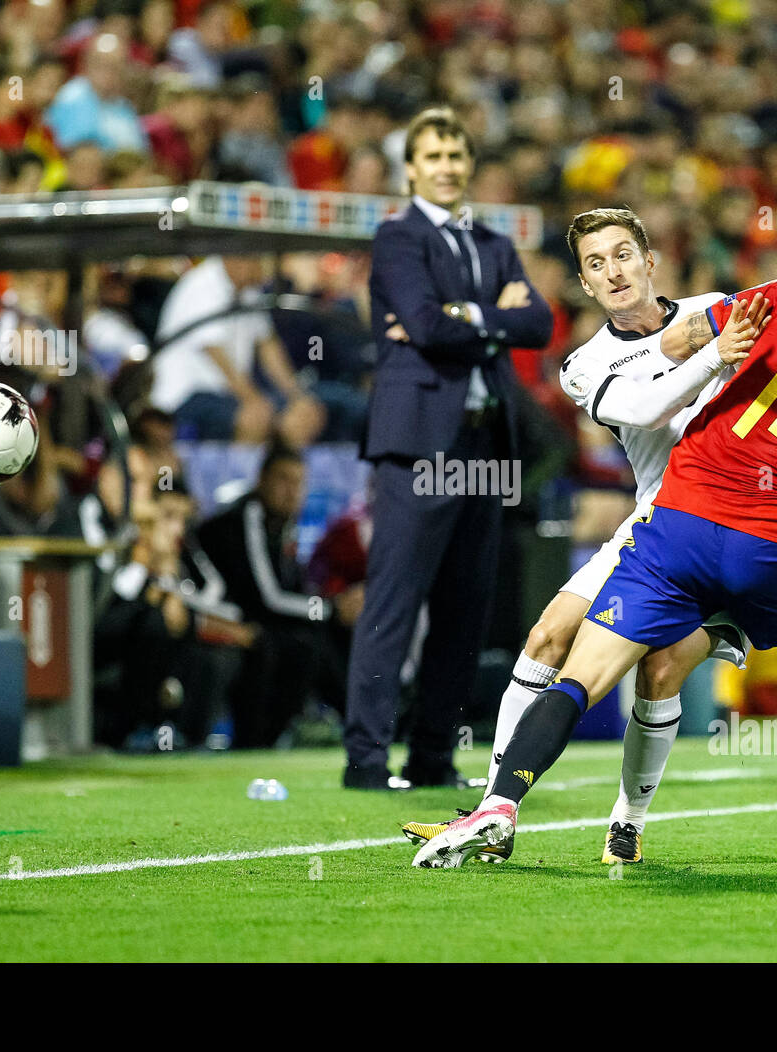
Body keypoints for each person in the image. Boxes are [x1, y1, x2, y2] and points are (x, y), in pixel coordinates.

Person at [415, 230, 777, 868]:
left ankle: (500, 806)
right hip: (771, 539)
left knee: (581, 676)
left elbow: (684, 341)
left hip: (678, 522)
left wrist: (693, 351)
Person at [400, 207, 764, 864]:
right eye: (596, 264)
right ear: (585, 286)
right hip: (655, 519)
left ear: (651, 261)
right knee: (546, 636)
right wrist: (702, 350)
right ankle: (494, 810)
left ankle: (629, 819)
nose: (613, 271)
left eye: (623, 254)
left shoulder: (715, 306)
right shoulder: (583, 365)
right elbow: (647, 408)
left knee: (658, 669)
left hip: (736, 517)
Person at [342, 106, 553, 790]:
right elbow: (427, 327)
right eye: (432, 156)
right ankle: (366, 761)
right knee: (395, 603)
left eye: (456, 156)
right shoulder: (399, 238)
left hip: (484, 439)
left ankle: (432, 755)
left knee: (466, 609)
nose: (446, 167)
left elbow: (540, 323)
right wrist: (493, 319)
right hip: (420, 445)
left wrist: (469, 318)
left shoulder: (491, 241)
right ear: (410, 169)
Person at [198, 445, 355, 747]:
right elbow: (267, 597)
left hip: (259, 618)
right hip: (225, 617)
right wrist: (331, 609)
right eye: (283, 480)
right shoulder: (247, 516)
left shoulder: (284, 527)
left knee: (323, 637)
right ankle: (257, 741)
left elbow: (292, 591)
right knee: (299, 645)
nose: (292, 491)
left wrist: (329, 611)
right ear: (261, 480)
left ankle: (362, 719)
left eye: (299, 482)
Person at [149, 254, 325, 446]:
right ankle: (238, 476)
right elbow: (215, 354)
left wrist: (297, 395)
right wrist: (253, 400)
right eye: (261, 260)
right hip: (185, 397)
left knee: (306, 414)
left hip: (227, 395)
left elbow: (268, 346)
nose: (266, 271)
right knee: (255, 417)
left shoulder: (249, 292)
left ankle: (280, 473)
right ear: (238, 259)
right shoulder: (202, 285)